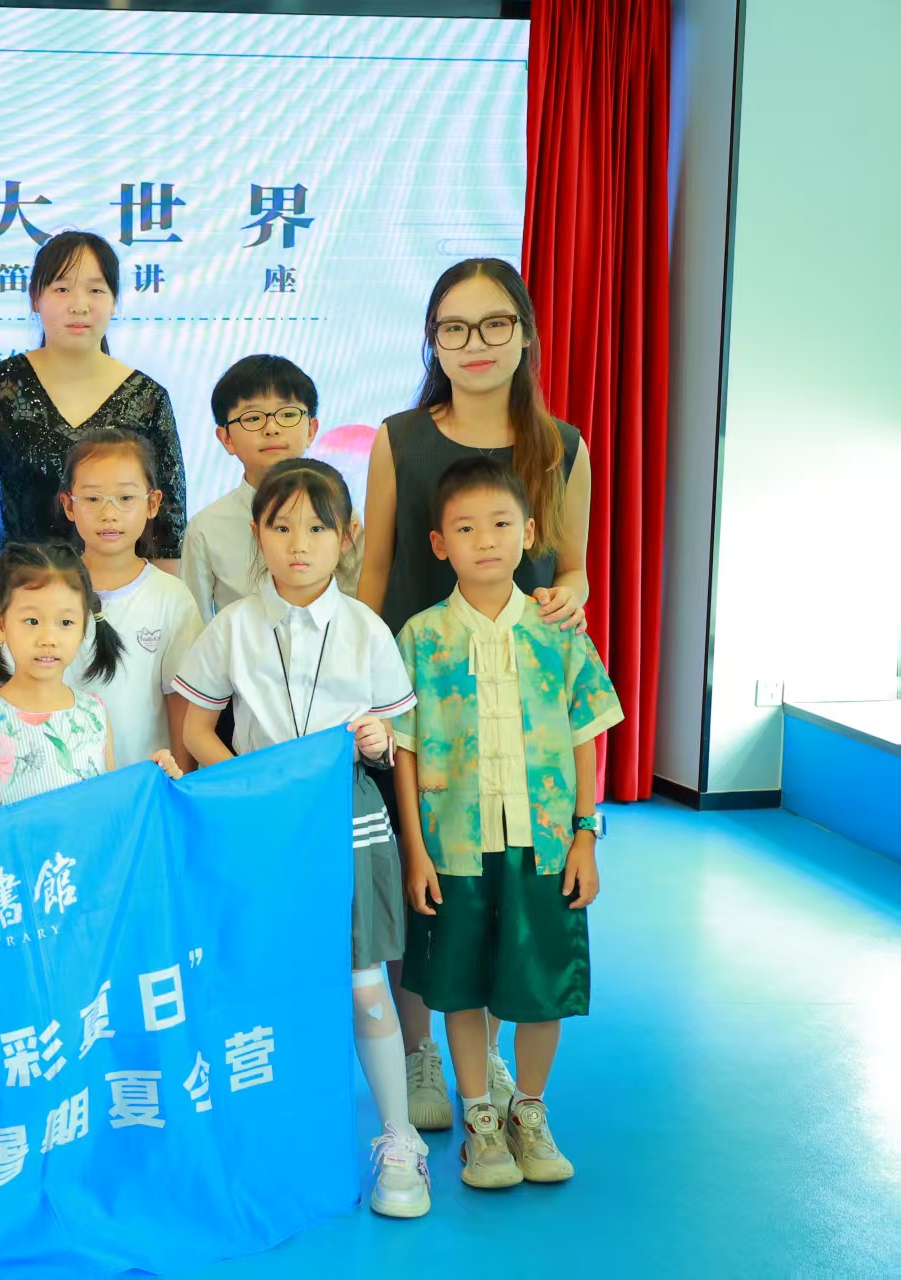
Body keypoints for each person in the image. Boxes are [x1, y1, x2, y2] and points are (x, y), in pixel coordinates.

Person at [356, 257, 593, 1132]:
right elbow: (375, 574)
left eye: (495, 324)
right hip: (418, 704)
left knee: (501, 885)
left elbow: (572, 568)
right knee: (423, 885)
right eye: (453, 328)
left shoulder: (561, 447)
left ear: (525, 334)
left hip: (516, 712)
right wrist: (366, 692)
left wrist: (572, 594)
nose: (475, 344)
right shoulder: (399, 439)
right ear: (433, 342)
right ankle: (422, 1049)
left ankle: (486, 1063)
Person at [173, 459, 431, 1218]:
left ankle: (398, 1141)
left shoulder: (366, 629)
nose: (298, 544)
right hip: (260, 825)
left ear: (346, 538)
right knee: (264, 979)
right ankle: (271, 1140)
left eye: (317, 528)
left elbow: (392, 740)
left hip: (346, 818)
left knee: (362, 980)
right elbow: (195, 728)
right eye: (281, 527)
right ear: (256, 534)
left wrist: (378, 740)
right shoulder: (232, 626)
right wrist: (248, 783)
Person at [392, 457, 621, 1192]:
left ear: (527, 533)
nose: (484, 539)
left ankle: (529, 1109)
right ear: (439, 544)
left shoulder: (559, 631)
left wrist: (585, 832)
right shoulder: (421, 637)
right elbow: (406, 749)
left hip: (545, 843)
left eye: (499, 524)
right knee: (459, 985)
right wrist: (416, 851)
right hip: (453, 845)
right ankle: (480, 1121)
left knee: (540, 984)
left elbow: (586, 735)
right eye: (464, 528)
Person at [0, 231, 186, 568]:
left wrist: (165, 598)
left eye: (95, 290)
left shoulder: (148, 398)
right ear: (35, 299)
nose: (79, 305)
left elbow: (168, 527)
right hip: (18, 587)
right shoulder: (4, 384)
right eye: (62, 289)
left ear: (114, 301)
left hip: (115, 589)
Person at [0, 543, 177, 859]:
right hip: (20, 873)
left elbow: (109, 800)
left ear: (83, 627)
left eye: (65, 623)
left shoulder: (93, 711)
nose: (48, 639)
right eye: (31, 621)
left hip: (85, 871)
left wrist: (153, 775)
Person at [60, 429, 204, 768]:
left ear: (152, 503)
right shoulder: (47, 593)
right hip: (64, 783)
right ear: (69, 505)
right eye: (92, 499)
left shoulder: (171, 598)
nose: (109, 513)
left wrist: (180, 781)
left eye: (125, 498)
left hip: (145, 781)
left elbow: (180, 702)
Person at [181, 354, 347, 619]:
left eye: (288, 414)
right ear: (226, 438)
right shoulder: (205, 528)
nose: (272, 428)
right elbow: (195, 625)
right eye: (252, 418)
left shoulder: (340, 515)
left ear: (311, 430)